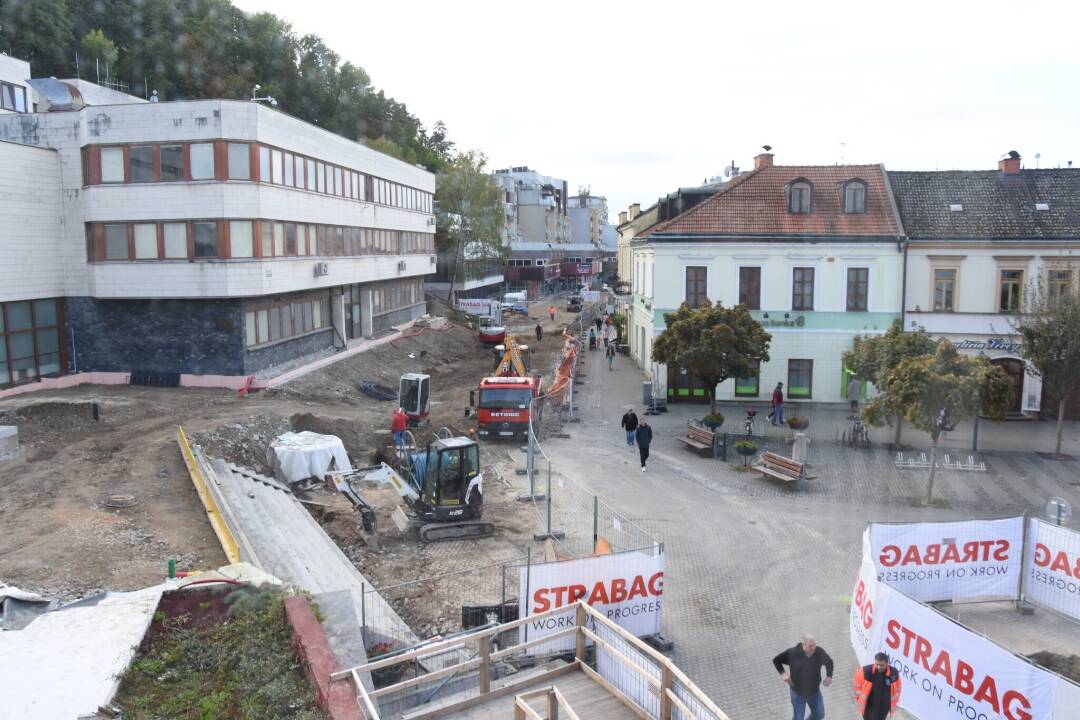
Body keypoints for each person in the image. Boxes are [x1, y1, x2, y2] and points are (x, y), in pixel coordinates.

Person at [773, 634, 834, 720]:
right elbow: (776, 660)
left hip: (814, 692)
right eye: (810, 646)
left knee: (820, 715)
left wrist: (829, 676)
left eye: (814, 645)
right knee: (798, 718)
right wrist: (783, 674)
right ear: (803, 645)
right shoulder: (793, 653)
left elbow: (829, 662)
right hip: (797, 693)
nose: (813, 648)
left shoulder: (819, 652)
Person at [853, 652, 902, 720]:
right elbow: (857, 686)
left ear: (887, 663)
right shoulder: (865, 672)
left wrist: (893, 702)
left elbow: (898, 687)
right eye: (877, 664)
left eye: (882, 665)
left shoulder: (893, 673)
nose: (879, 667)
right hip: (869, 706)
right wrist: (859, 698)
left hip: (884, 707)